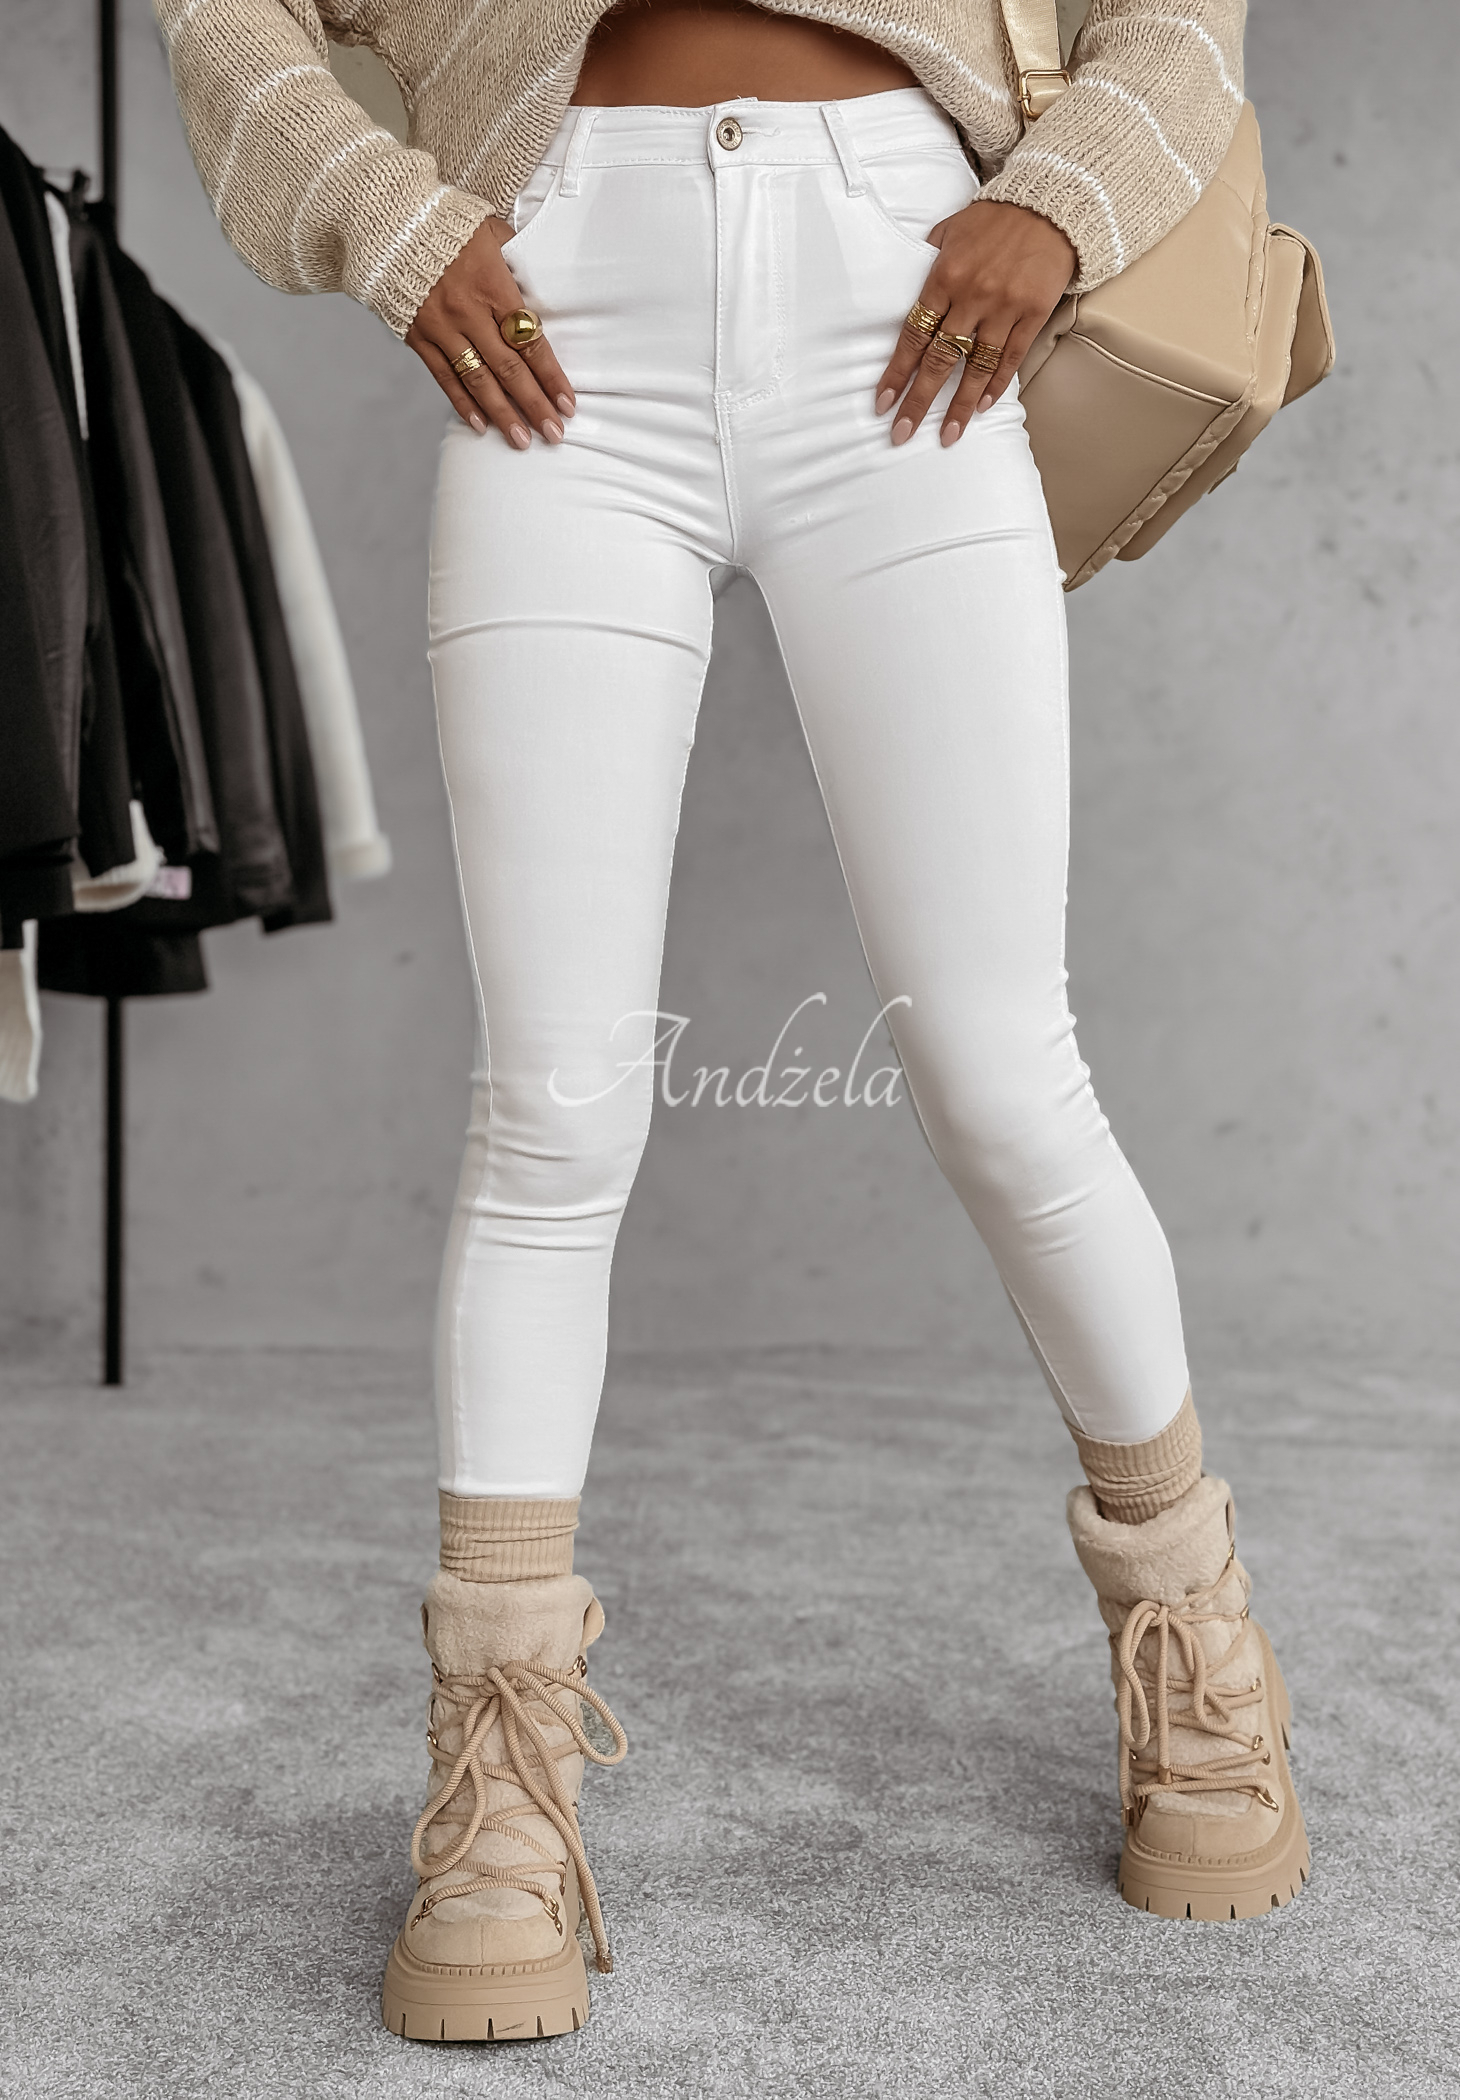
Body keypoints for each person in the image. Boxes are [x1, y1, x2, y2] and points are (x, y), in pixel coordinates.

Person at [155, 0, 1308, 2044]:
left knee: (998, 1067)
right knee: (552, 1104)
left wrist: (1058, 200)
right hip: (562, 305)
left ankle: (1193, 1638)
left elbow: (1175, 17)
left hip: (904, 290)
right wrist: (381, 216)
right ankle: (501, 1777)